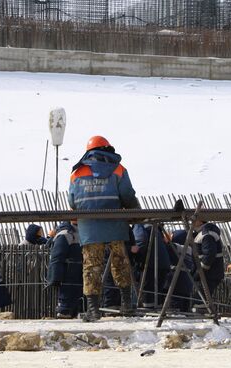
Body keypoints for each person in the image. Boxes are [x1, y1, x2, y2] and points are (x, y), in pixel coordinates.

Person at [68, 135, 140, 322]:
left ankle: (93, 310)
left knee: (92, 267)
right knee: (120, 263)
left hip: (89, 227)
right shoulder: (118, 169)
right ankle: (127, 306)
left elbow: (72, 201)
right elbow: (128, 196)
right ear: (108, 148)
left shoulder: (77, 172)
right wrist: (137, 213)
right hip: (115, 224)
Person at [46, 221, 83, 319]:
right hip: (68, 276)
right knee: (65, 308)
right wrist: (55, 277)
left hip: (78, 275)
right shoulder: (65, 234)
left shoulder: (82, 232)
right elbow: (57, 258)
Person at [132, 223, 171, 309]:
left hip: (151, 263)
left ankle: (148, 314)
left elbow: (140, 240)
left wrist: (137, 258)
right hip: (163, 263)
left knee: (148, 293)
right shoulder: (155, 227)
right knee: (157, 294)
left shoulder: (139, 225)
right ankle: (157, 312)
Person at [192, 219, 225, 308]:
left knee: (200, 299)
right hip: (210, 273)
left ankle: (202, 315)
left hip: (210, 273)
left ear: (201, 221)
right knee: (202, 297)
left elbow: (209, 254)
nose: (192, 221)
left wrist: (200, 271)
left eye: (194, 219)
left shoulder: (207, 234)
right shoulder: (203, 233)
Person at [165, 230, 195, 312]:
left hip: (177, 282)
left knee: (175, 306)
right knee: (185, 305)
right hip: (187, 284)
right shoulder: (190, 249)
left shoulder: (177, 247)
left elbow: (167, 246)